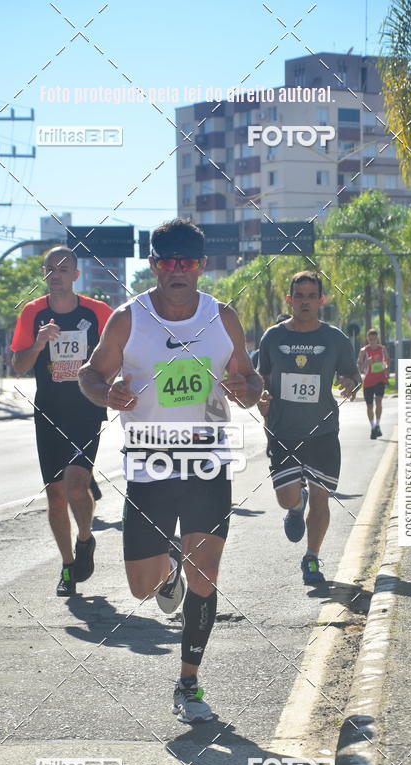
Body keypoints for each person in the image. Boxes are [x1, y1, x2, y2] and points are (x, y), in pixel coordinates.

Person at [78, 219, 262, 722]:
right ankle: (168, 572)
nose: (178, 271)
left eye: (188, 263)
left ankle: (188, 683)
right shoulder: (127, 319)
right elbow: (89, 374)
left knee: (208, 575)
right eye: (167, 262)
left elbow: (247, 374)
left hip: (206, 459)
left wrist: (248, 388)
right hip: (149, 462)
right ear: (154, 264)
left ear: (202, 266)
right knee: (141, 586)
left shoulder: (222, 318)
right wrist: (105, 393)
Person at [10, 246, 113, 596]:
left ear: (75, 275)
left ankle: (85, 538)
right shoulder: (32, 312)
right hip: (48, 413)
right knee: (55, 497)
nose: (56, 273)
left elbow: (122, 355)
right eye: (50, 268)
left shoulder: (99, 313)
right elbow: (18, 367)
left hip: (86, 409)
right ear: (45, 274)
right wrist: (38, 344)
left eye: (63, 268)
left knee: (75, 485)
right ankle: (69, 566)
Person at [258, 271, 361, 586]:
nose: (305, 301)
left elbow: (352, 378)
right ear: (289, 300)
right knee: (286, 498)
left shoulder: (335, 338)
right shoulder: (273, 337)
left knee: (322, 498)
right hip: (282, 431)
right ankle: (294, 506)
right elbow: (262, 379)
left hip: (323, 432)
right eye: (299, 296)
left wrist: (349, 383)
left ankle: (311, 558)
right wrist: (261, 396)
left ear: (321, 300)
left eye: (311, 296)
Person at [357, 328, 390, 438]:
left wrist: (386, 368)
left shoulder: (382, 349)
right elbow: (359, 368)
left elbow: (387, 361)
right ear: (367, 339)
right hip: (368, 382)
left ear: (377, 339)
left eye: (374, 339)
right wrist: (367, 362)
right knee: (369, 406)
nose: (372, 341)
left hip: (380, 379)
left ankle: (377, 424)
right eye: (370, 339)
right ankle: (372, 427)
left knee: (379, 401)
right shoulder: (363, 351)